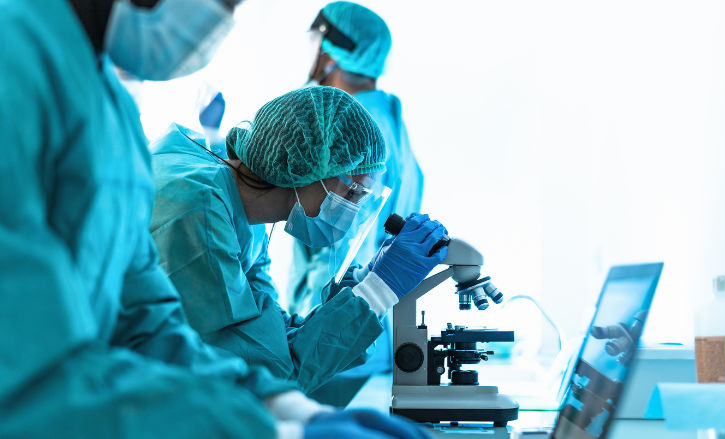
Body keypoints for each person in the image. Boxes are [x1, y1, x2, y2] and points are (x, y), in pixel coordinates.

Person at [0, 0, 433, 438]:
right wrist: (275, 428)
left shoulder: (111, 106)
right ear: (309, 169)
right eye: (353, 191)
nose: (222, 19)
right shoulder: (17, 61)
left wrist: (284, 405)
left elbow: (152, 325)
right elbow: (29, 367)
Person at [150, 85, 447, 396]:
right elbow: (267, 377)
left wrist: (362, 284)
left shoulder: (243, 217)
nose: (355, 213)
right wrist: (377, 293)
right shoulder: (201, 213)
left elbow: (271, 338)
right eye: (354, 194)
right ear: (305, 167)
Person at [289, 1, 426, 402]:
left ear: (330, 53)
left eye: (315, 43)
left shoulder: (347, 125)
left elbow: (331, 234)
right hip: (370, 327)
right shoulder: (389, 117)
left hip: (333, 328)